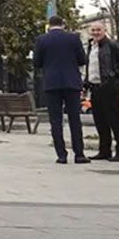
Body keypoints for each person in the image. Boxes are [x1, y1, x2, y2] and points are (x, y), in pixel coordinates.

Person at [33, 15, 90, 164]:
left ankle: (61, 155)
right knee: (74, 119)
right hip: (71, 82)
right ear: (63, 24)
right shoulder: (73, 38)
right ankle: (79, 154)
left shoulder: (41, 40)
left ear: (49, 25)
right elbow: (82, 60)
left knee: (55, 120)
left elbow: (36, 62)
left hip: (51, 83)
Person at [85, 22, 119, 161]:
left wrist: (115, 75)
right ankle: (104, 150)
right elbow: (92, 67)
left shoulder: (112, 45)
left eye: (98, 30)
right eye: (93, 30)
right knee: (100, 121)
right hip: (95, 88)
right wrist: (86, 82)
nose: (96, 32)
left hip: (109, 87)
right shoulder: (91, 47)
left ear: (105, 30)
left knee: (114, 120)